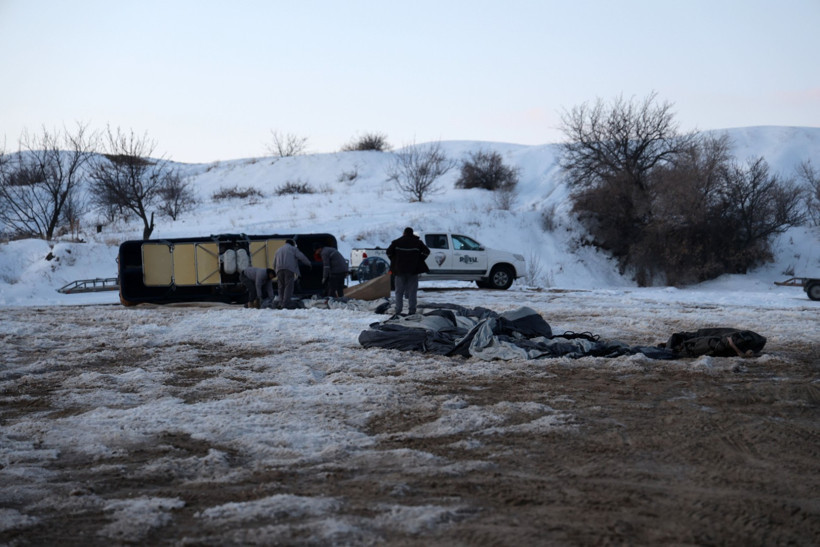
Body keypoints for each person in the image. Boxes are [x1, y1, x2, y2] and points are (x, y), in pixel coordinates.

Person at [386, 227, 430, 315]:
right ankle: (412, 311)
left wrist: (394, 261)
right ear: (412, 233)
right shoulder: (418, 243)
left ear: (404, 233)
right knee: (412, 291)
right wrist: (419, 260)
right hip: (413, 271)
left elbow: (388, 252)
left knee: (399, 292)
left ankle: (398, 310)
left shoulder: (397, 242)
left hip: (399, 271)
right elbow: (427, 252)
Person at [273, 239, 311, 309]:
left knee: (281, 287)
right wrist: (308, 263)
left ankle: (280, 302)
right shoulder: (293, 249)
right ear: (292, 244)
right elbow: (301, 256)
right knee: (288, 286)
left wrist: (275, 270)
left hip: (279, 270)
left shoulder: (278, 250)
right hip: (289, 269)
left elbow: (274, 262)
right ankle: (285, 304)